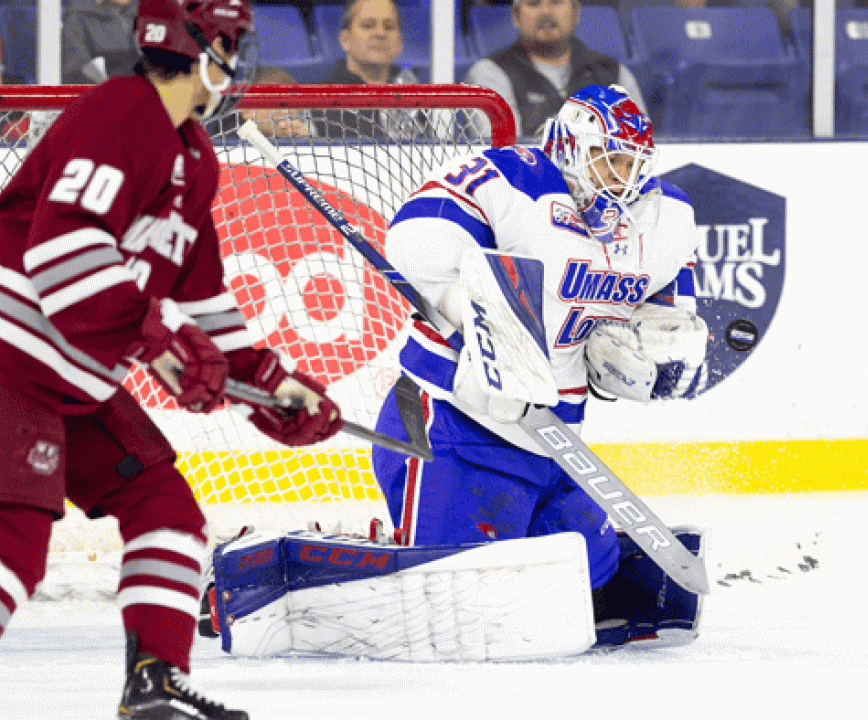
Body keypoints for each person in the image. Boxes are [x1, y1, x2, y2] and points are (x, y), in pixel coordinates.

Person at [196, 85, 708, 658]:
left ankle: (406, 542)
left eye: (631, 164)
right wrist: (474, 310)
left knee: (592, 571)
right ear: (567, 145)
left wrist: (649, 353)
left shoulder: (663, 219)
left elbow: (669, 315)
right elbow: (415, 236)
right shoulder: (513, 179)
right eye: (606, 158)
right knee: (452, 593)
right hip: (453, 423)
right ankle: (271, 562)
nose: (619, 179)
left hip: (554, 439)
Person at [0, 0, 345, 717]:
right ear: (202, 43)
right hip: (12, 356)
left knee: (166, 507)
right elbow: (60, 247)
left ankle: (153, 684)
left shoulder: (194, 155)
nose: (237, 57)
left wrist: (270, 386)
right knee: (15, 544)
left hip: (71, 376)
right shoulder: (121, 112)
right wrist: (149, 338)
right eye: (231, 42)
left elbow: (204, 300)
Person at [463, 0, 646, 139]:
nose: (546, 12)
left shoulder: (612, 72)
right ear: (515, 16)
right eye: (534, 3)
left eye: (556, 1)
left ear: (576, 12)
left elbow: (641, 145)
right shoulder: (488, 74)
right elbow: (503, 157)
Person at [313, 0, 431, 140]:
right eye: (368, 25)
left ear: (399, 41)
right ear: (345, 39)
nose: (380, 33)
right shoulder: (316, 99)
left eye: (389, 27)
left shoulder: (420, 98)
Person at [61, 0, 141, 84]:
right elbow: (76, 66)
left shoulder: (143, 13)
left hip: (140, 90)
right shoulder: (77, 16)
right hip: (99, 90)